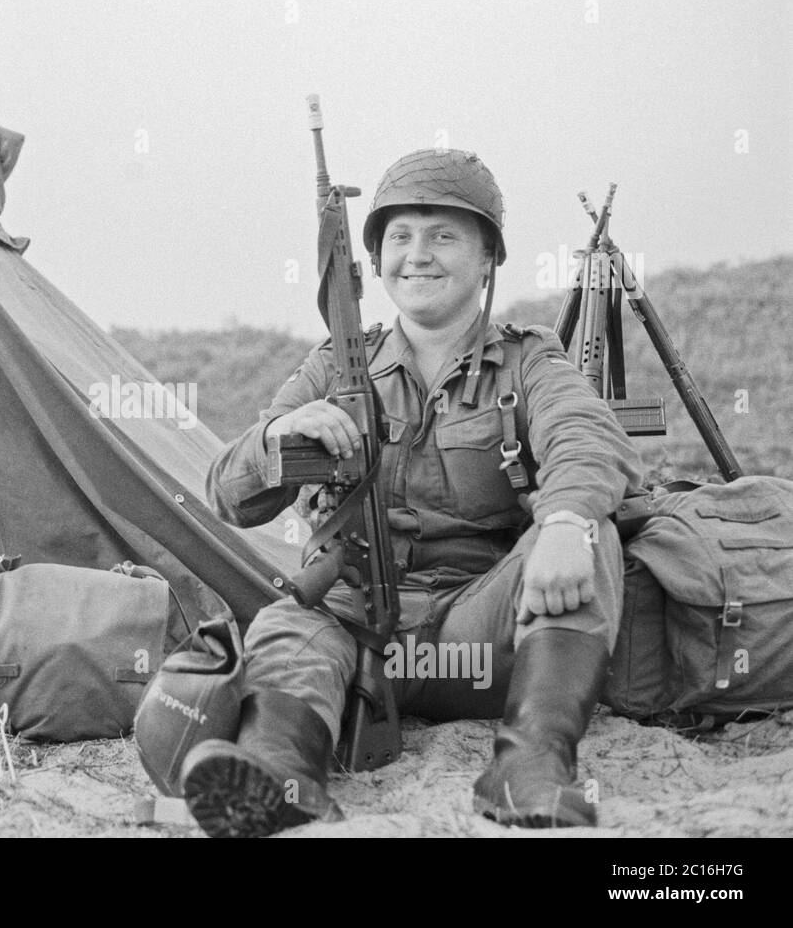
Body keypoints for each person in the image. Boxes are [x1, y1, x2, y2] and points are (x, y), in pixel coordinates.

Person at [178, 148, 643, 838]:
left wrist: (567, 520)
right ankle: (281, 775)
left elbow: (588, 439)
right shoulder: (335, 367)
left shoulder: (528, 360)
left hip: (480, 640)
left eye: (443, 235)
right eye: (400, 236)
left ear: (488, 259)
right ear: (375, 260)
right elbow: (226, 493)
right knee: (287, 624)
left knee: (586, 529)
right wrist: (278, 438)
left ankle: (529, 765)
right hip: (359, 640)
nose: (417, 255)